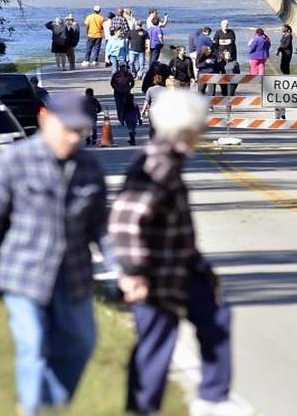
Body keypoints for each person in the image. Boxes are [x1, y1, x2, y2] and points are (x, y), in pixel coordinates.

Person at [0, 91, 111, 416]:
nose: (73, 138)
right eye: (67, 128)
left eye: (80, 131)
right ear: (45, 119)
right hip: (24, 275)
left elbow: (102, 229)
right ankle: (33, 410)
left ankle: (51, 405)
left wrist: (126, 272)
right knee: (34, 346)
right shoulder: (13, 163)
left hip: (73, 277)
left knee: (81, 343)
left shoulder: (89, 168)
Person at [109, 90, 240, 416]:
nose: (204, 131)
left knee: (216, 319)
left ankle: (212, 399)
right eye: (201, 125)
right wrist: (134, 273)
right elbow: (125, 219)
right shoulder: (158, 164)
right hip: (155, 273)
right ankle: (141, 409)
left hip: (183, 268)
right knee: (155, 343)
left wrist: (204, 272)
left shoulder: (170, 159)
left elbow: (176, 228)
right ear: (188, 127)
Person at [111, 66, 140, 146]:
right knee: (119, 106)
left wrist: (130, 87)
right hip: (117, 93)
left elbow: (132, 82)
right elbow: (112, 83)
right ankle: (121, 119)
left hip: (126, 92)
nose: (123, 69)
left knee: (125, 106)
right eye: (122, 68)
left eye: (124, 68)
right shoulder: (116, 75)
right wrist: (115, 88)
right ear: (120, 68)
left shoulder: (129, 75)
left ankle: (124, 119)